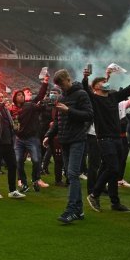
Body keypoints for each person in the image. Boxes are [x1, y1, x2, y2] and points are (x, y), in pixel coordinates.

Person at [83, 68, 130, 213]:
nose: (106, 83)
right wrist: (85, 78)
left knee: (114, 170)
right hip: (104, 139)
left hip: (117, 138)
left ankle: (115, 202)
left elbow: (128, 90)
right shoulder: (94, 99)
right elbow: (85, 90)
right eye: (103, 82)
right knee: (112, 168)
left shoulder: (113, 97)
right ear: (95, 87)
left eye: (106, 81)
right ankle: (94, 194)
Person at [44, 70, 93, 224]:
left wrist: (69, 110)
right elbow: (59, 120)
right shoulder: (62, 96)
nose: (61, 87)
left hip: (77, 139)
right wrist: (49, 135)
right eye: (59, 85)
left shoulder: (81, 94)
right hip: (64, 140)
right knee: (71, 175)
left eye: (62, 84)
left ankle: (71, 210)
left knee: (72, 174)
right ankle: (78, 210)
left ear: (68, 79)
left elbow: (89, 115)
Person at [10, 79, 49, 192]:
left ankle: (35, 179)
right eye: (19, 95)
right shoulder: (12, 110)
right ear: (14, 97)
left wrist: (45, 83)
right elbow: (13, 125)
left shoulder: (29, 106)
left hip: (32, 138)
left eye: (22, 95)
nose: (21, 96)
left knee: (36, 160)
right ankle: (23, 182)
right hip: (19, 139)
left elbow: (39, 96)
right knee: (18, 161)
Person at [0, 91, 25, 199]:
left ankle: (12, 190)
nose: (1, 98)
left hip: (8, 142)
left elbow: (10, 122)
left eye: (2, 97)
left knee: (12, 165)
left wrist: (14, 127)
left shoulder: (5, 109)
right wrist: (1, 104)